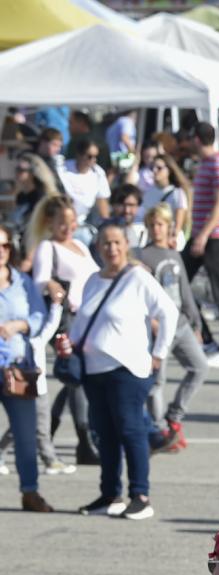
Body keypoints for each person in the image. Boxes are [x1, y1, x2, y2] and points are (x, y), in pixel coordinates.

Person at [71, 225, 177, 522]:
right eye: (105, 243)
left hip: (127, 370)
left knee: (131, 431)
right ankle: (110, 494)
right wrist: (70, 344)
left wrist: (160, 352)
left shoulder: (137, 277)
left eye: (116, 242)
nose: (111, 248)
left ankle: (140, 496)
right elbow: (82, 322)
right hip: (94, 371)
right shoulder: (93, 280)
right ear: (98, 246)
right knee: (105, 434)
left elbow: (168, 312)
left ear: (126, 244)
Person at [30, 196, 97, 467]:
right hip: (65, 320)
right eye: (62, 222)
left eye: (72, 221)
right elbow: (38, 281)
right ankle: (84, 440)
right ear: (50, 222)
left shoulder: (80, 244)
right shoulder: (48, 247)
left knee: (73, 379)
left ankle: (49, 432)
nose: (68, 226)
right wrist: (51, 285)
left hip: (87, 319)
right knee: (76, 378)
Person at [136, 205, 206, 453]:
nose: (157, 229)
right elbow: (141, 296)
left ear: (169, 227)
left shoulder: (174, 254)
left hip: (181, 324)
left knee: (199, 367)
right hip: (158, 328)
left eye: (161, 225)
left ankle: (174, 415)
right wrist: (152, 323)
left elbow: (185, 290)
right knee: (157, 382)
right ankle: (158, 429)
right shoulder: (142, 257)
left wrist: (196, 323)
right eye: (153, 225)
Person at [0, 222, 51, 512]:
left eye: (5, 245)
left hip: (18, 367)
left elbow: (39, 316)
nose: (1, 252)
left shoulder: (22, 282)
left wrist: (19, 324)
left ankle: (29, 490)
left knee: (25, 433)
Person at [184, 123, 219, 364]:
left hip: (216, 237)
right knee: (179, 283)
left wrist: (203, 234)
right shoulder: (206, 163)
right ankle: (206, 338)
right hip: (201, 235)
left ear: (197, 139)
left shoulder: (218, 163)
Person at [59, 137, 111, 230]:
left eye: (96, 157)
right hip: (60, 220)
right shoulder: (62, 168)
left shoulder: (98, 173)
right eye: (89, 156)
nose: (93, 160)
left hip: (81, 224)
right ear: (79, 154)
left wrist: (106, 224)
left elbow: (102, 201)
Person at [139, 151, 190, 240]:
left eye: (159, 168)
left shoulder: (177, 193)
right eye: (152, 167)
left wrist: (173, 237)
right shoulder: (148, 192)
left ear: (169, 170)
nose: (154, 171)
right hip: (152, 240)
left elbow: (179, 222)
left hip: (171, 240)